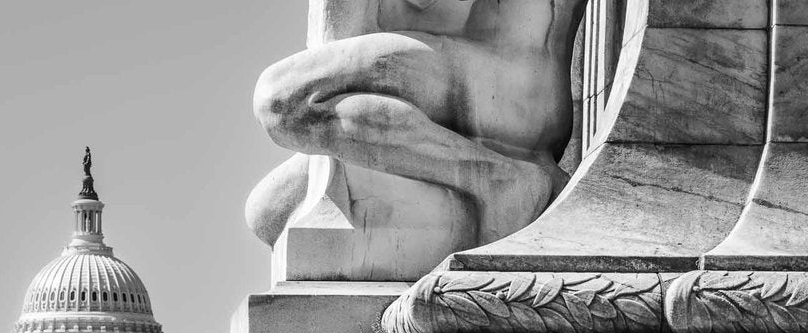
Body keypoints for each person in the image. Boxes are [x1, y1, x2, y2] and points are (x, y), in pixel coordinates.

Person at [248, 0, 586, 248]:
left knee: (283, 100)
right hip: (478, 75)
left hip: (508, 82)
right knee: (267, 211)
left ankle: (498, 178)